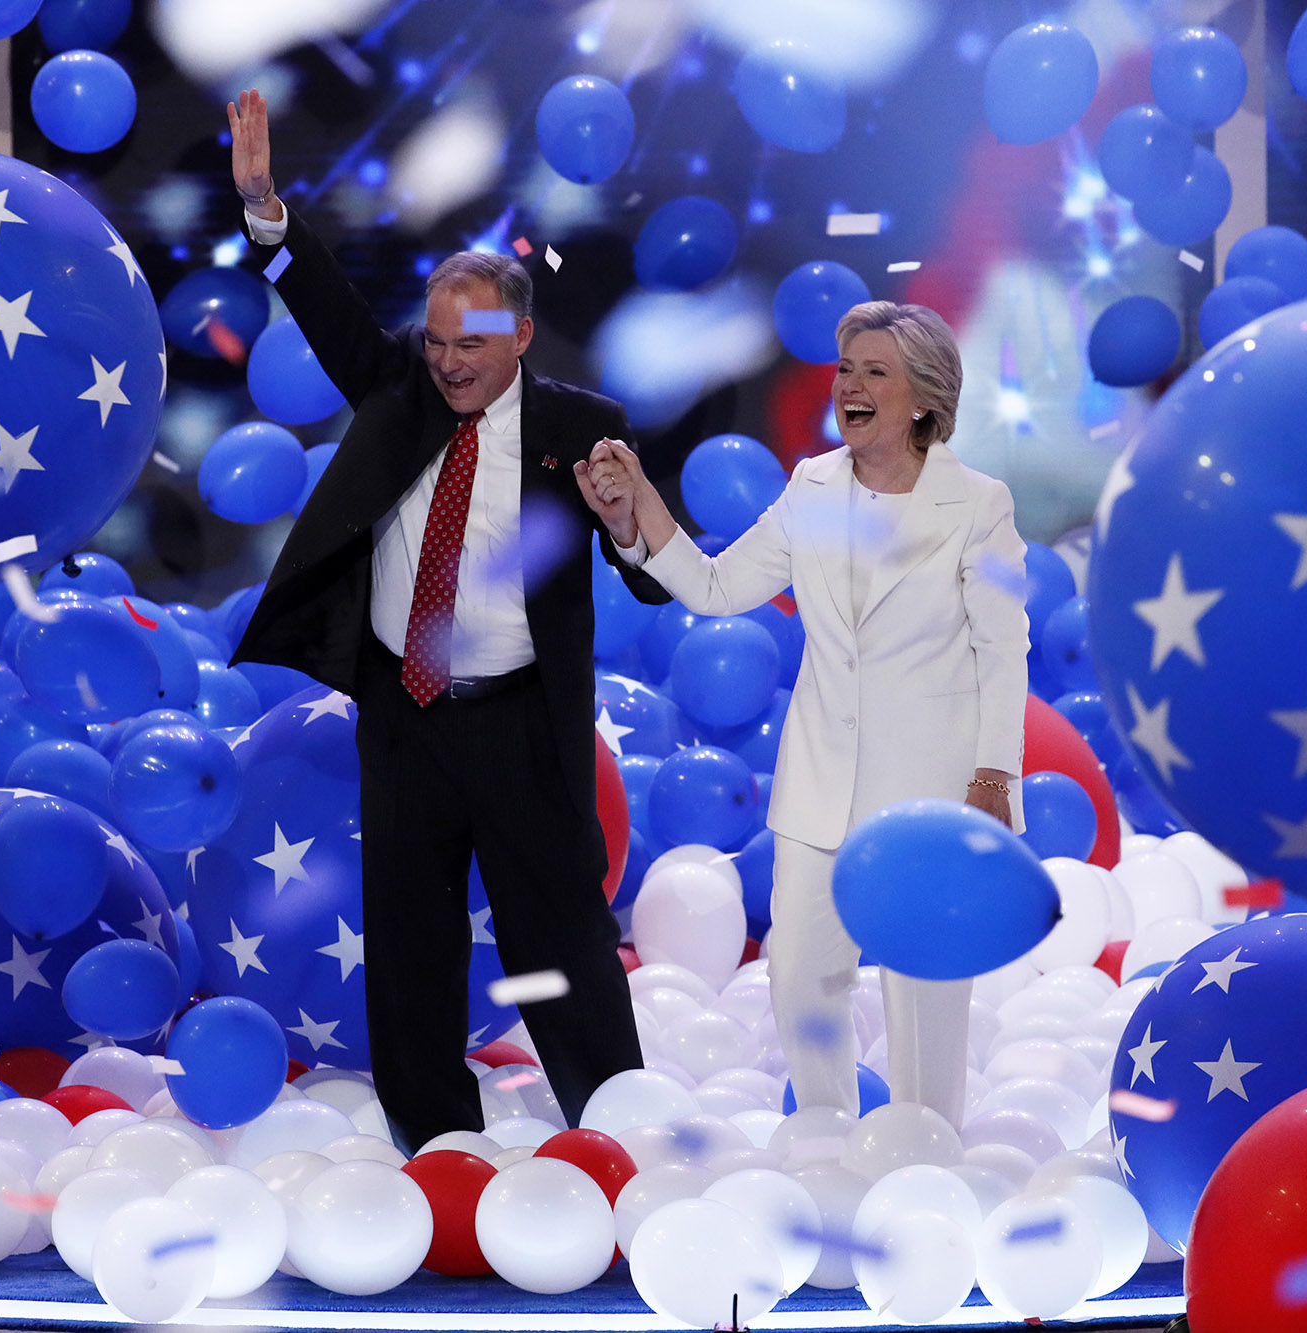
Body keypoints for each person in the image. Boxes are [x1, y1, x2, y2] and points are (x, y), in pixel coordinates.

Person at [224, 89, 667, 1156]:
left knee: (558, 929)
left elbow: (650, 577)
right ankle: (432, 1140)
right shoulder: (398, 391)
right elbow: (326, 305)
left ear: (518, 331)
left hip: (519, 720)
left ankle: (614, 1129)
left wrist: (629, 524)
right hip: (403, 711)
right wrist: (263, 212)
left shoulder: (581, 429)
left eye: (471, 342)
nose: (451, 362)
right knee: (411, 935)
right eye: (435, 344)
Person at [575, 301, 1029, 1126]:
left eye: (875, 372)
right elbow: (719, 588)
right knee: (802, 974)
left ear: (925, 397)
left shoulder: (978, 504)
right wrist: (635, 513)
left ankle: (928, 1155)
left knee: (926, 989)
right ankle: (826, 1139)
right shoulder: (812, 485)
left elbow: (1004, 647)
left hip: (930, 796)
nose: (850, 386)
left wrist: (995, 775)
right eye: (845, 368)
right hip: (820, 785)